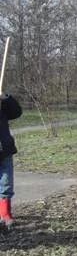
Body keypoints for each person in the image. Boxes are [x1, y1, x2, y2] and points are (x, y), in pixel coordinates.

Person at [0, 91, 23, 229]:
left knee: (6, 183)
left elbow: (17, 113)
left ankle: (5, 213)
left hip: (5, 150)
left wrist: (6, 98)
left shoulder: (3, 105)